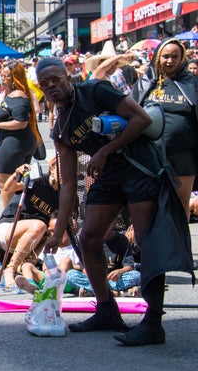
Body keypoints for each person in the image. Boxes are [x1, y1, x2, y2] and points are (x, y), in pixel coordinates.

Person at [38, 57, 176, 346]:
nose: (51, 86)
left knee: (145, 240)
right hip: (108, 177)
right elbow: (65, 185)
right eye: (44, 83)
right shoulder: (60, 127)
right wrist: (56, 232)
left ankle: (153, 322)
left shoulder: (96, 90)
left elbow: (142, 118)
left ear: (68, 76)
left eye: (55, 78)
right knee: (88, 238)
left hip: (138, 166)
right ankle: (106, 310)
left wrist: (105, 151)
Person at [135, 38, 198, 217]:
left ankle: (181, 242)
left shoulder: (192, 83)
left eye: (175, 57)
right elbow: (132, 111)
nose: (170, 61)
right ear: (158, 57)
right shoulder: (147, 81)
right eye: (166, 56)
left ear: (182, 59)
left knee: (180, 201)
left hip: (184, 154)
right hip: (151, 153)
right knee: (152, 201)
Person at [0, 159, 60, 289]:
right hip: (10, 227)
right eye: (62, 169)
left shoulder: (63, 195)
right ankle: (9, 270)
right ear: (52, 169)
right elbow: (8, 188)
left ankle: (26, 275)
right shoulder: (38, 180)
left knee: (48, 231)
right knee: (39, 226)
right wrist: (16, 173)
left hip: (34, 239)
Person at [0, 62, 39, 208]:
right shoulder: (10, 94)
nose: (2, 78)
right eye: (2, 75)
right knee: (14, 182)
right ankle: (17, 215)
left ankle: (7, 219)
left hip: (15, 142)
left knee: (5, 182)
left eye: (7, 76)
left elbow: (20, 122)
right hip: (15, 142)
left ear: (15, 78)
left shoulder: (18, 96)